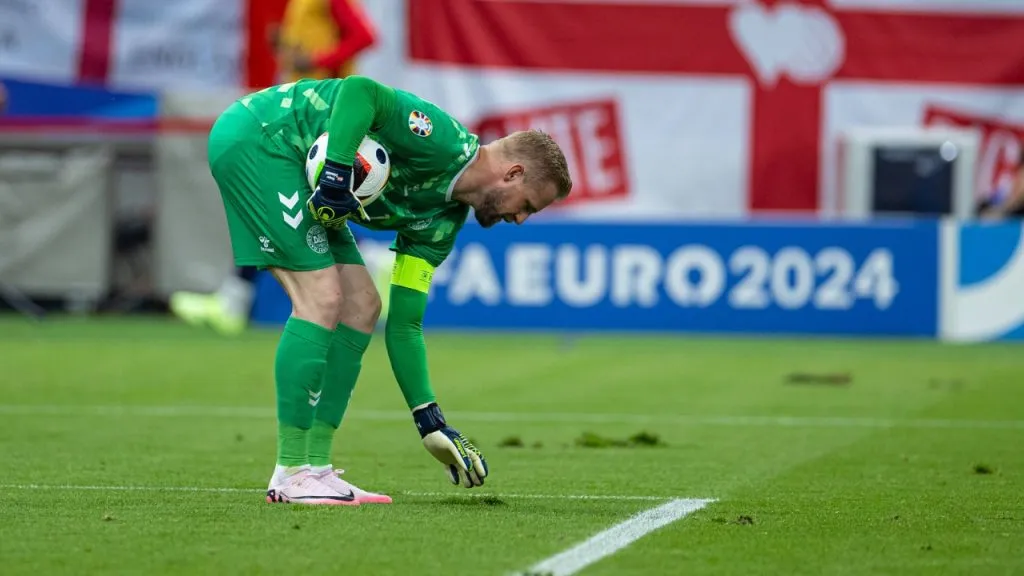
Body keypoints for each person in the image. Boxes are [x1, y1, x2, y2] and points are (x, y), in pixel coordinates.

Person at [207, 75, 572, 505]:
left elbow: (404, 324)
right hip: (263, 138)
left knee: (363, 305)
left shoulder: (441, 225)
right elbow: (361, 91)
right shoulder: (441, 140)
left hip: (301, 172)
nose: (522, 219)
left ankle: (317, 470)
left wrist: (429, 421)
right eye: (528, 204)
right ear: (513, 173)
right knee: (321, 298)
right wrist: (339, 168)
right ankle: (290, 471)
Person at [170, 0, 377, 335]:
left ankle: (233, 301)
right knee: (284, 204)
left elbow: (365, 37)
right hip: (303, 110)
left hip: (323, 113)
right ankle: (234, 299)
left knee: (275, 200)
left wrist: (315, 60)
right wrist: (288, 45)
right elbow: (320, 41)